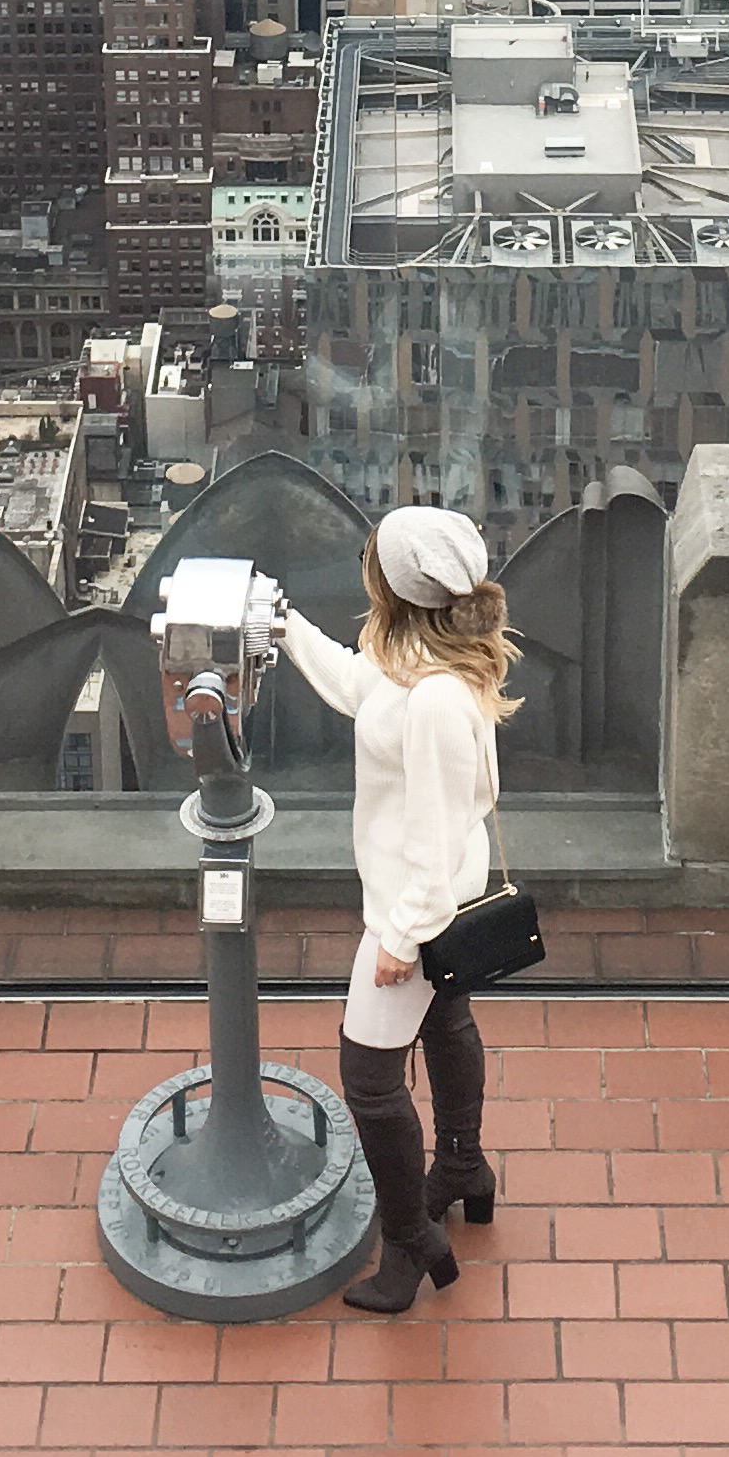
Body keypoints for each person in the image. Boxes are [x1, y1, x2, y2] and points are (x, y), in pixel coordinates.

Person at [272, 506, 519, 1314]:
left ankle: (410, 1238)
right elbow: (356, 682)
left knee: (370, 1079)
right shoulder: (411, 653)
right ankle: (463, 1167)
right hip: (429, 896)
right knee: (446, 1022)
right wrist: (282, 625)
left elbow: (435, 831)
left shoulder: (438, 700)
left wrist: (401, 940)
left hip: (420, 905)